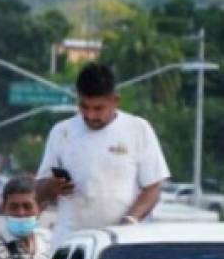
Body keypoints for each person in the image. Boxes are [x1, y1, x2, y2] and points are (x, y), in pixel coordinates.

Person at [35, 62, 170, 247]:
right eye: (84, 106)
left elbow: (152, 189)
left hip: (122, 243)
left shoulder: (138, 129)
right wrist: (51, 186)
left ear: (115, 101)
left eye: (98, 108)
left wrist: (130, 221)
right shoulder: (61, 132)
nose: (90, 115)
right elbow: (38, 190)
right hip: (71, 244)